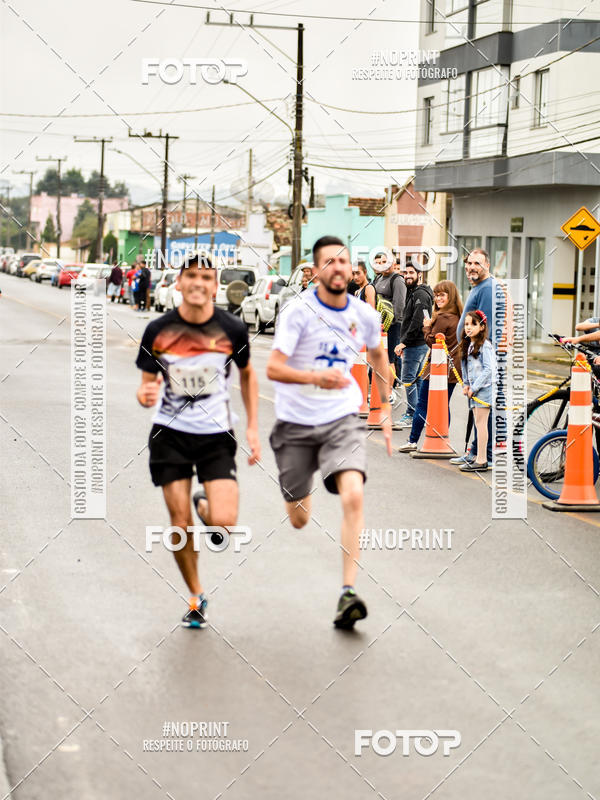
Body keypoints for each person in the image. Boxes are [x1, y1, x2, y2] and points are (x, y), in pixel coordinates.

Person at [266, 235, 392, 630]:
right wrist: (314, 376)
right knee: (299, 518)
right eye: (329, 262)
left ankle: (347, 594)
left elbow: (376, 353)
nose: (338, 268)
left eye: (344, 261)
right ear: (317, 271)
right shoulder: (298, 313)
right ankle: (302, 491)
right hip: (296, 422)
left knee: (353, 494)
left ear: (351, 269)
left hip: (341, 418)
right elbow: (273, 368)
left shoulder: (365, 314)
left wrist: (385, 404)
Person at [135, 254, 260, 629]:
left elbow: (248, 376)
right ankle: (194, 595)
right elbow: (146, 384)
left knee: (224, 524)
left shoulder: (232, 329)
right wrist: (145, 394)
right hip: (169, 435)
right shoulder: (158, 330)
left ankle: (206, 504)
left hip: (216, 435)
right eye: (192, 276)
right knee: (179, 522)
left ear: (214, 285)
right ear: (179, 282)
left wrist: (252, 426)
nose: (199, 283)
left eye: (207, 277)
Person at [450, 248, 502, 467]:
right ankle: (474, 453)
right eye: (469, 263)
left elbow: (486, 326)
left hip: (482, 362)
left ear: (487, 266)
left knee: (483, 415)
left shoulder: (488, 288)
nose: (471, 267)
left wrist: (476, 355)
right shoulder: (479, 287)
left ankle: (484, 457)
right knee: (478, 414)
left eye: (477, 263)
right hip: (473, 360)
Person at [398, 280, 463, 452]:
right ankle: (442, 440)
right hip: (452, 369)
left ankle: (412, 441)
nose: (437, 298)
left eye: (442, 295)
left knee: (422, 404)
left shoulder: (442, 317)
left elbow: (433, 342)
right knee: (443, 405)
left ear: (450, 296)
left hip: (437, 367)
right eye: (436, 295)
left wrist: (426, 328)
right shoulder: (458, 316)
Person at [394, 263, 433, 426]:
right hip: (417, 344)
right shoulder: (415, 293)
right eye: (405, 273)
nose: (407, 275)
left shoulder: (421, 295)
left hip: (415, 344)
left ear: (419, 275)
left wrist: (404, 342)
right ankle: (419, 415)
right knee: (416, 380)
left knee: (408, 378)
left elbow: (418, 322)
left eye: (411, 272)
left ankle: (411, 414)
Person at [460, 310, 496, 471]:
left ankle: (482, 459)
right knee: (478, 423)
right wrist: (466, 384)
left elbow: (489, 370)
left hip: (484, 390)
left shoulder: (485, 346)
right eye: (466, 324)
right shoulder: (469, 345)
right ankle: (478, 457)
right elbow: (466, 367)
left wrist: (473, 388)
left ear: (482, 327)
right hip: (475, 390)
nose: (468, 327)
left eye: (473, 324)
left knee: (481, 424)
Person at [372, 252, 406, 394]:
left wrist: (390, 324)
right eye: (381, 262)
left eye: (387, 261)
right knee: (379, 359)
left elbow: (399, 305)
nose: (383, 265)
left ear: (394, 264)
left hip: (392, 326)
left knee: (390, 359)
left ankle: (389, 391)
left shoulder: (397, 280)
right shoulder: (378, 278)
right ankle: (380, 390)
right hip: (379, 326)